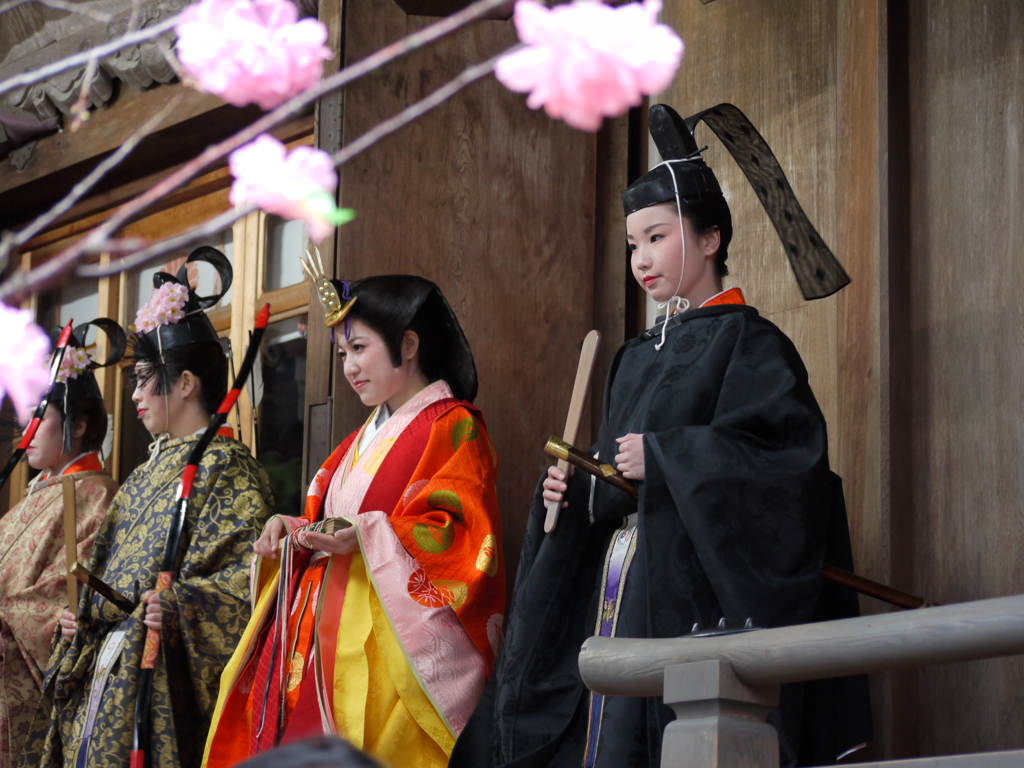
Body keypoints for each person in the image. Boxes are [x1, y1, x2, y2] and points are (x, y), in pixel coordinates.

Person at [450, 103, 873, 768]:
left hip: (684, 591)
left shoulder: (752, 344)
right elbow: (614, 475)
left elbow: (789, 466)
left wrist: (673, 456)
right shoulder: (633, 355)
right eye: (631, 245)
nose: (641, 259)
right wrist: (575, 487)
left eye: (657, 238)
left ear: (709, 240)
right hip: (613, 583)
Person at [203, 273, 504, 768]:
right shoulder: (357, 440)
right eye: (342, 354)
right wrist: (293, 527)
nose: (350, 367)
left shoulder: (454, 425)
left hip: (385, 648)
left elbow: (461, 533)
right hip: (319, 636)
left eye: (359, 348)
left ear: (407, 344)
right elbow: (328, 518)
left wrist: (365, 535)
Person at [20, 247, 274, 768]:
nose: (134, 394)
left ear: (185, 383)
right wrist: (79, 616)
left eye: (142, 378)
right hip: (103, 670)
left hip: (154, 675)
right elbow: (100, 575)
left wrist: (183, 605)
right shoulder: (140, 478)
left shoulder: (228, 466)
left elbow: (252, 579)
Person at [0, 320, 124, 768]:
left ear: (78, 424)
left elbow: (75, 600)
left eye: (38, 418)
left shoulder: (97, 496)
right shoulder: (31, 497)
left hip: (28, 695)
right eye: (24, 418)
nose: (25, 431)